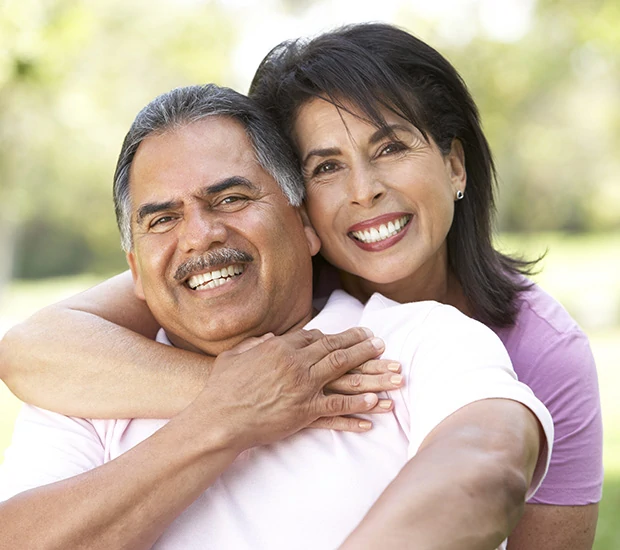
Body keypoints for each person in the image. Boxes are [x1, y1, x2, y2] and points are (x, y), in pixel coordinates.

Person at [0, 22, 601, 548]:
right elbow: (24, 354)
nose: (200, 236)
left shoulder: (430, 340)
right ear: (134, 264)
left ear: (301, 221)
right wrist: (229, 410)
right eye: (162, 219)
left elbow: (486, 466)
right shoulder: (94, 385)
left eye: (231, 197)